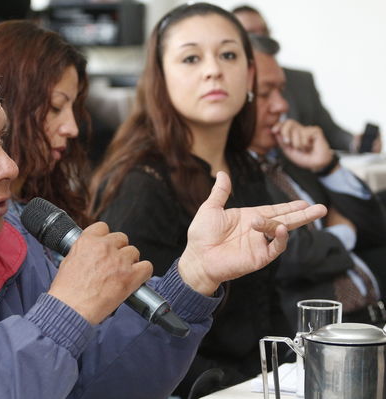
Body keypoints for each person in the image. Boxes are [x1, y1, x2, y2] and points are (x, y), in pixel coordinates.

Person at [0, 42, 325, 398]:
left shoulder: (3, 228)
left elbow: (96, 383)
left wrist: (193, 278)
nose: (9, 166)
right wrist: (65, 312)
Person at [89, 3, 304, 396]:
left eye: (228, 54)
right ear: (160, 77)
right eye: (191, 57)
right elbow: (130, 336)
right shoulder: (142, 185)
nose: (213, 70)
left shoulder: (244, 166)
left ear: (250, 74)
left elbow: (265, 302)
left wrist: (289, 374)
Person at [248, 33, 386, 327]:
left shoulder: (288, 157)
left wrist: (327, 166)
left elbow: (375, 228)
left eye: (281, 91)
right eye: (265, 93)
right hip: (318, 334)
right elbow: (290, 257)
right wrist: (343, 235)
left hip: (374, 312)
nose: (282, 106)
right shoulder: (233, 173)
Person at [0, 21, 91, 257]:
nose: (72, 129)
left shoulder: (35, 204)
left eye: (74, 110)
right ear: (6, 104)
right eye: (56, 107)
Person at [232, 5, 381, 153]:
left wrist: (354, 142)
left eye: (265, 32)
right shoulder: (228, 90)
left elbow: (329, 130)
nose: (282, 106)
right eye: (251, 35)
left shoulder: (301, 81)